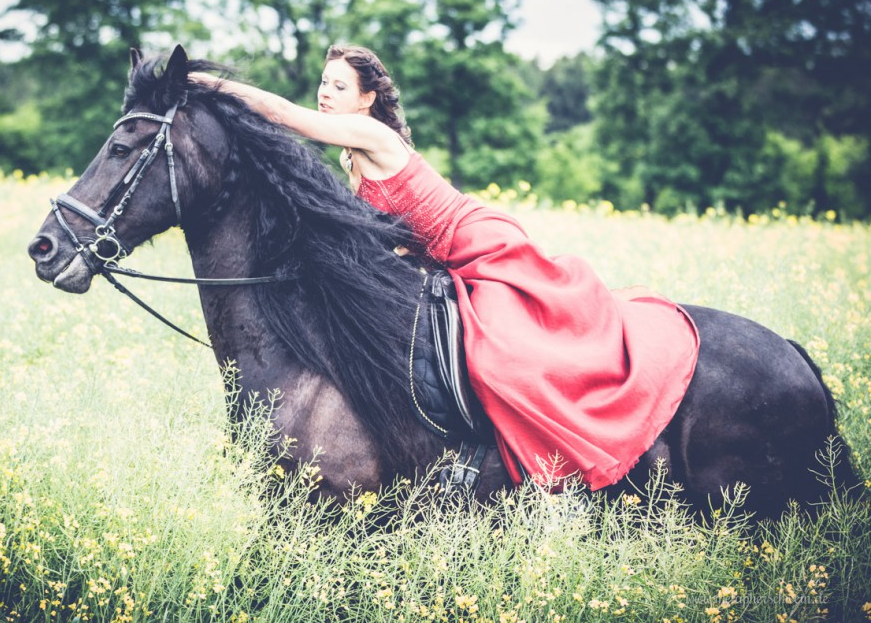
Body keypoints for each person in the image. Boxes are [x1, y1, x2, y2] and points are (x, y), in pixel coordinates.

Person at [189, 44, 699, 491]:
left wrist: (205, 83)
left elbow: (283, 114)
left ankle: (549, 457)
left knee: (506, 356)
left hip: (477, 243)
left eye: (339, 85)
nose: (325, 92)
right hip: (440, 259)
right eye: (324, 82)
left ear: (366, 99)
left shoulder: (371, 135)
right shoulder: (351, 158)